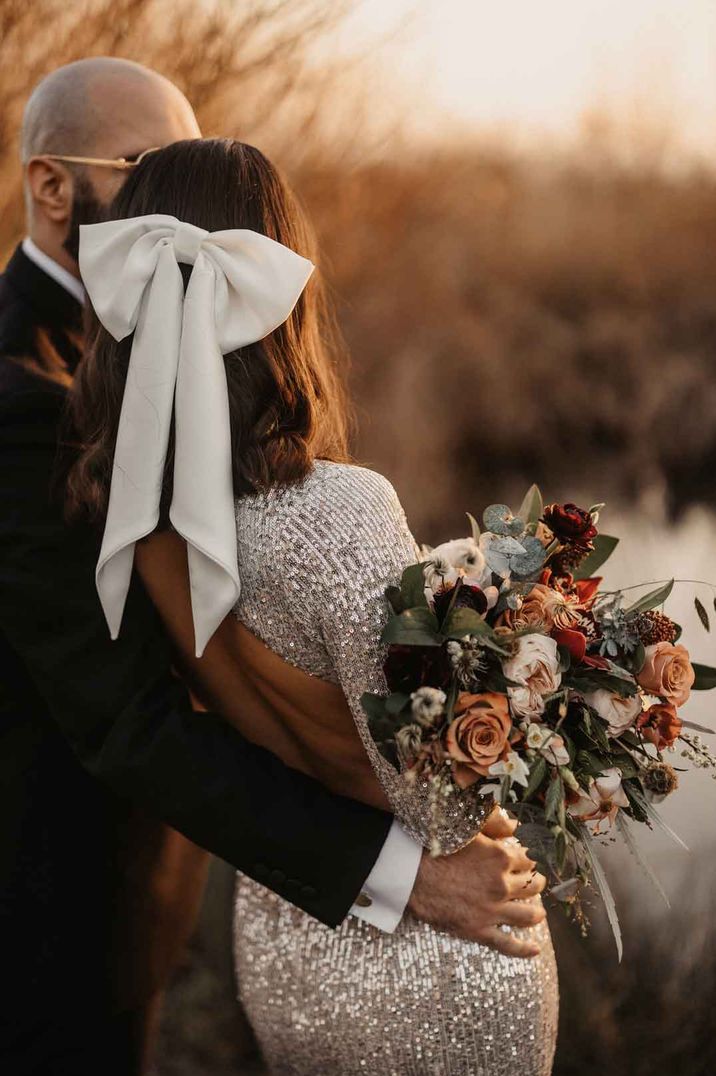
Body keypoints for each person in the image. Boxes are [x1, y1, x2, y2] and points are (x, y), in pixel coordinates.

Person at [0, 61, 546, 1076]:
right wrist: (405, 867)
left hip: (194, 892)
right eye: (146, 166)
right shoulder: (22, 395)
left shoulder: (136, 407)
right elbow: (124, 715)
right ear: (51, 186)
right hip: (54, 907)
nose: (171, 205)